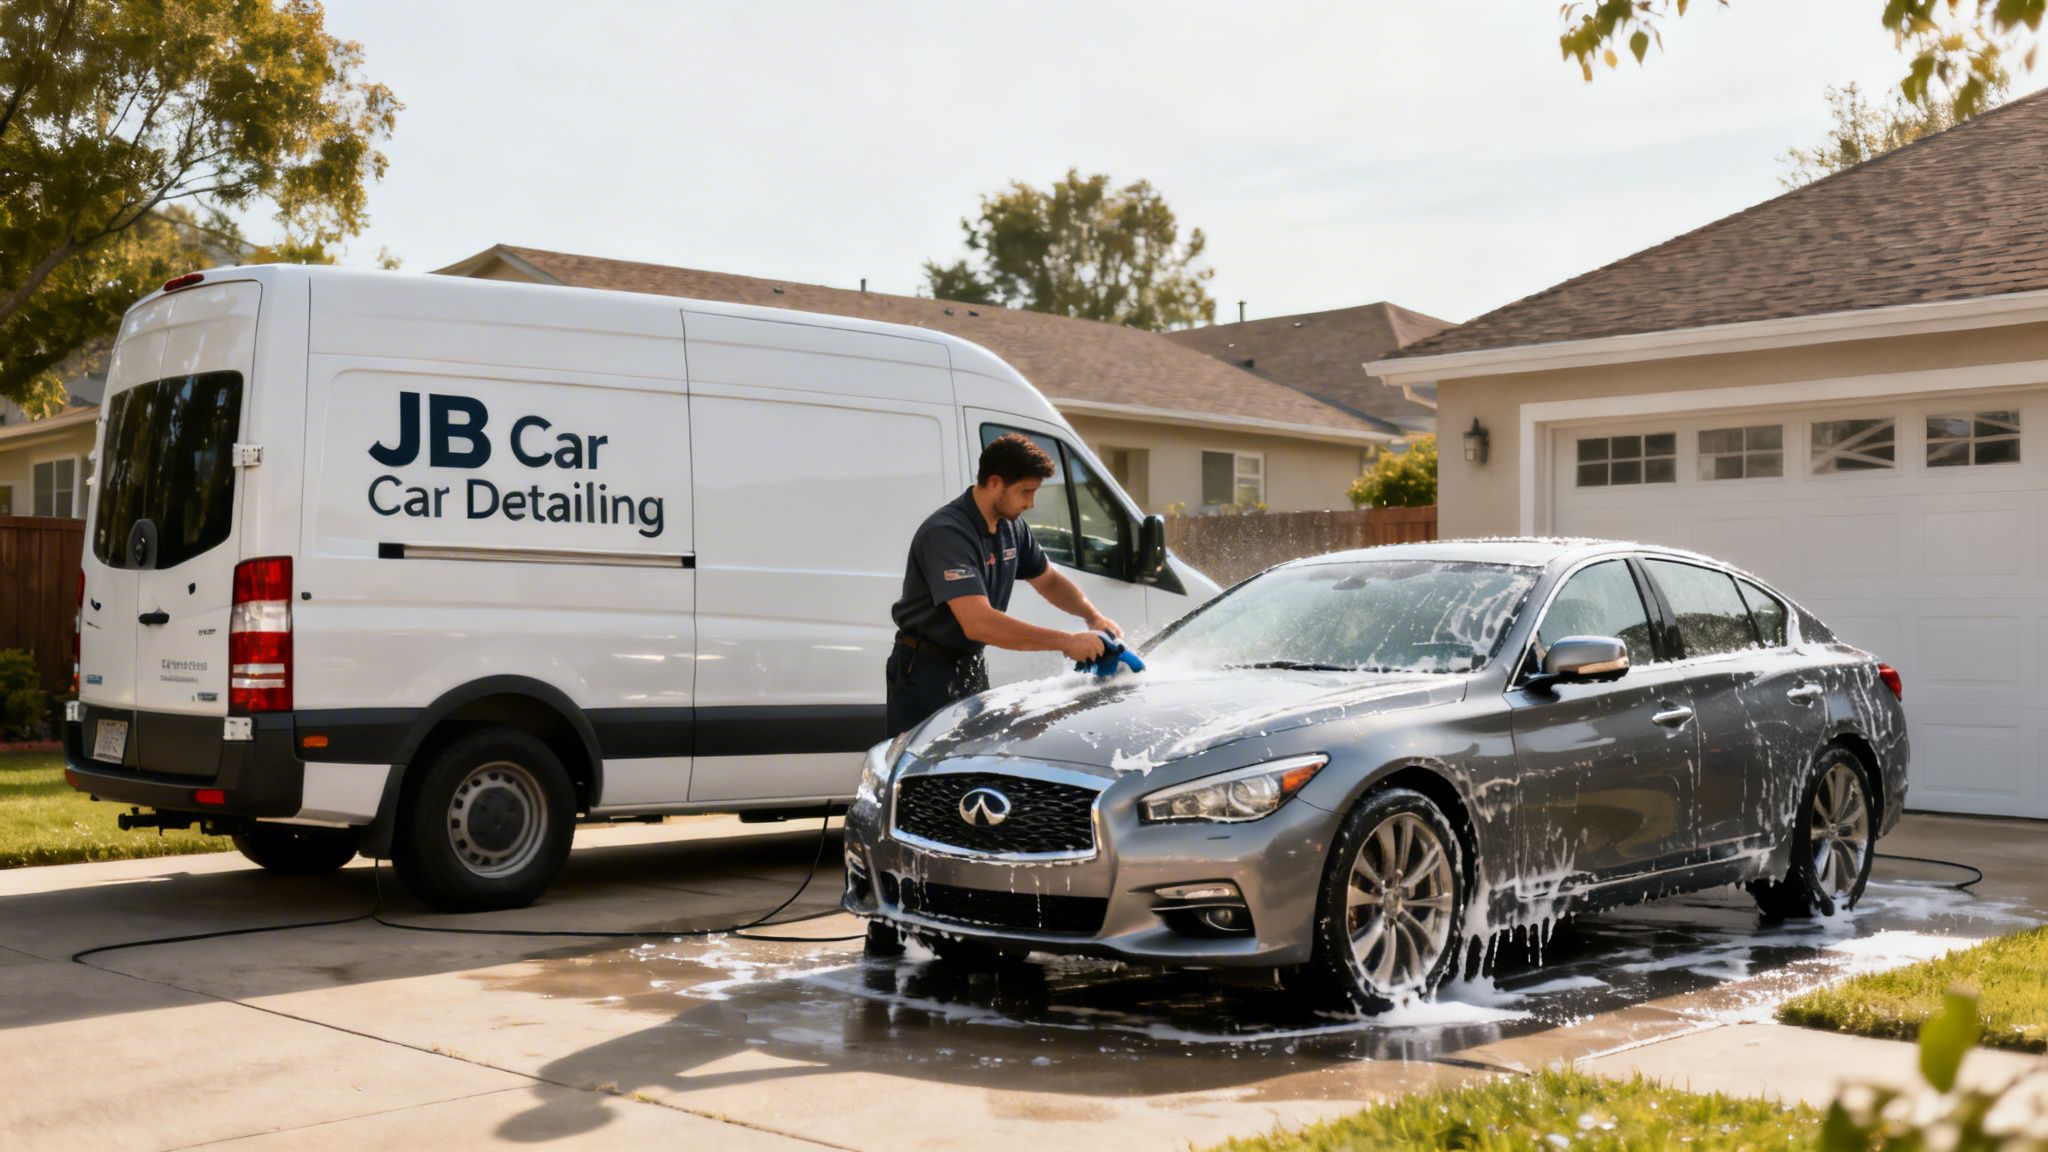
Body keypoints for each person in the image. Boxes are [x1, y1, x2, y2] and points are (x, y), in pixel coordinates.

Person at [885, 433, 1122, 739]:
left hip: (969, 665)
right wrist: (1067, 642)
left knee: (970, 762)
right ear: (994, 482)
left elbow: (1048, 580)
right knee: (925, 775)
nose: (1031, 503)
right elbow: (979, 623)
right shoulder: (947, 533)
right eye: (1025, 491)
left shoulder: (1011, 526)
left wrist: (1093, 617)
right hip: (924, 671)